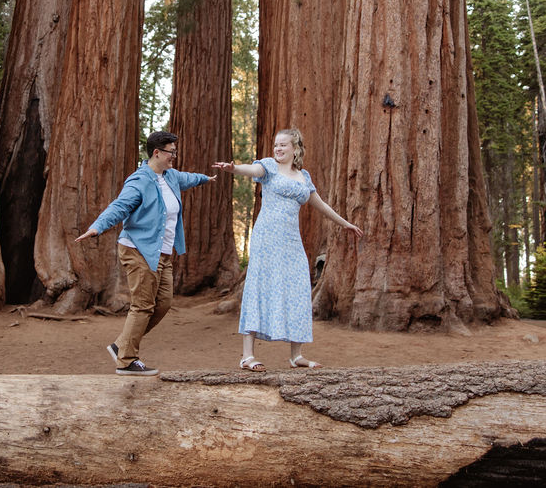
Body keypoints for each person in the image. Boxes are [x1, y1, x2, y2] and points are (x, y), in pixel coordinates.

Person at [213, 127, 363, 372]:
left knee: (297, 289)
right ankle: (247, 355)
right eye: (276, 145)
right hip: (267, 239)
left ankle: (296, 355)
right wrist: (234, 169)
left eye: (283, 145)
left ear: (295, 148)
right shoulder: (269, 167)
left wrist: (345, 224)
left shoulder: (304, 176)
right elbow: (252, 169)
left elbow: (320, 204)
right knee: (259, 286)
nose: (278, 149)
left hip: (291, 241)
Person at [75, 131, 215, 376]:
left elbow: (187, 178)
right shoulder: (139, 180)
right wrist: (97, 227)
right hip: (138, 250)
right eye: (171, 151)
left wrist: (205, 178)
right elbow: (119, 206)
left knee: (163, 303)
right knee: (142, 306)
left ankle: (121, 344)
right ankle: (126, 360)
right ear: (157, 153)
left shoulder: (170, 177)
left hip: (162, 254)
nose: (174, 156)